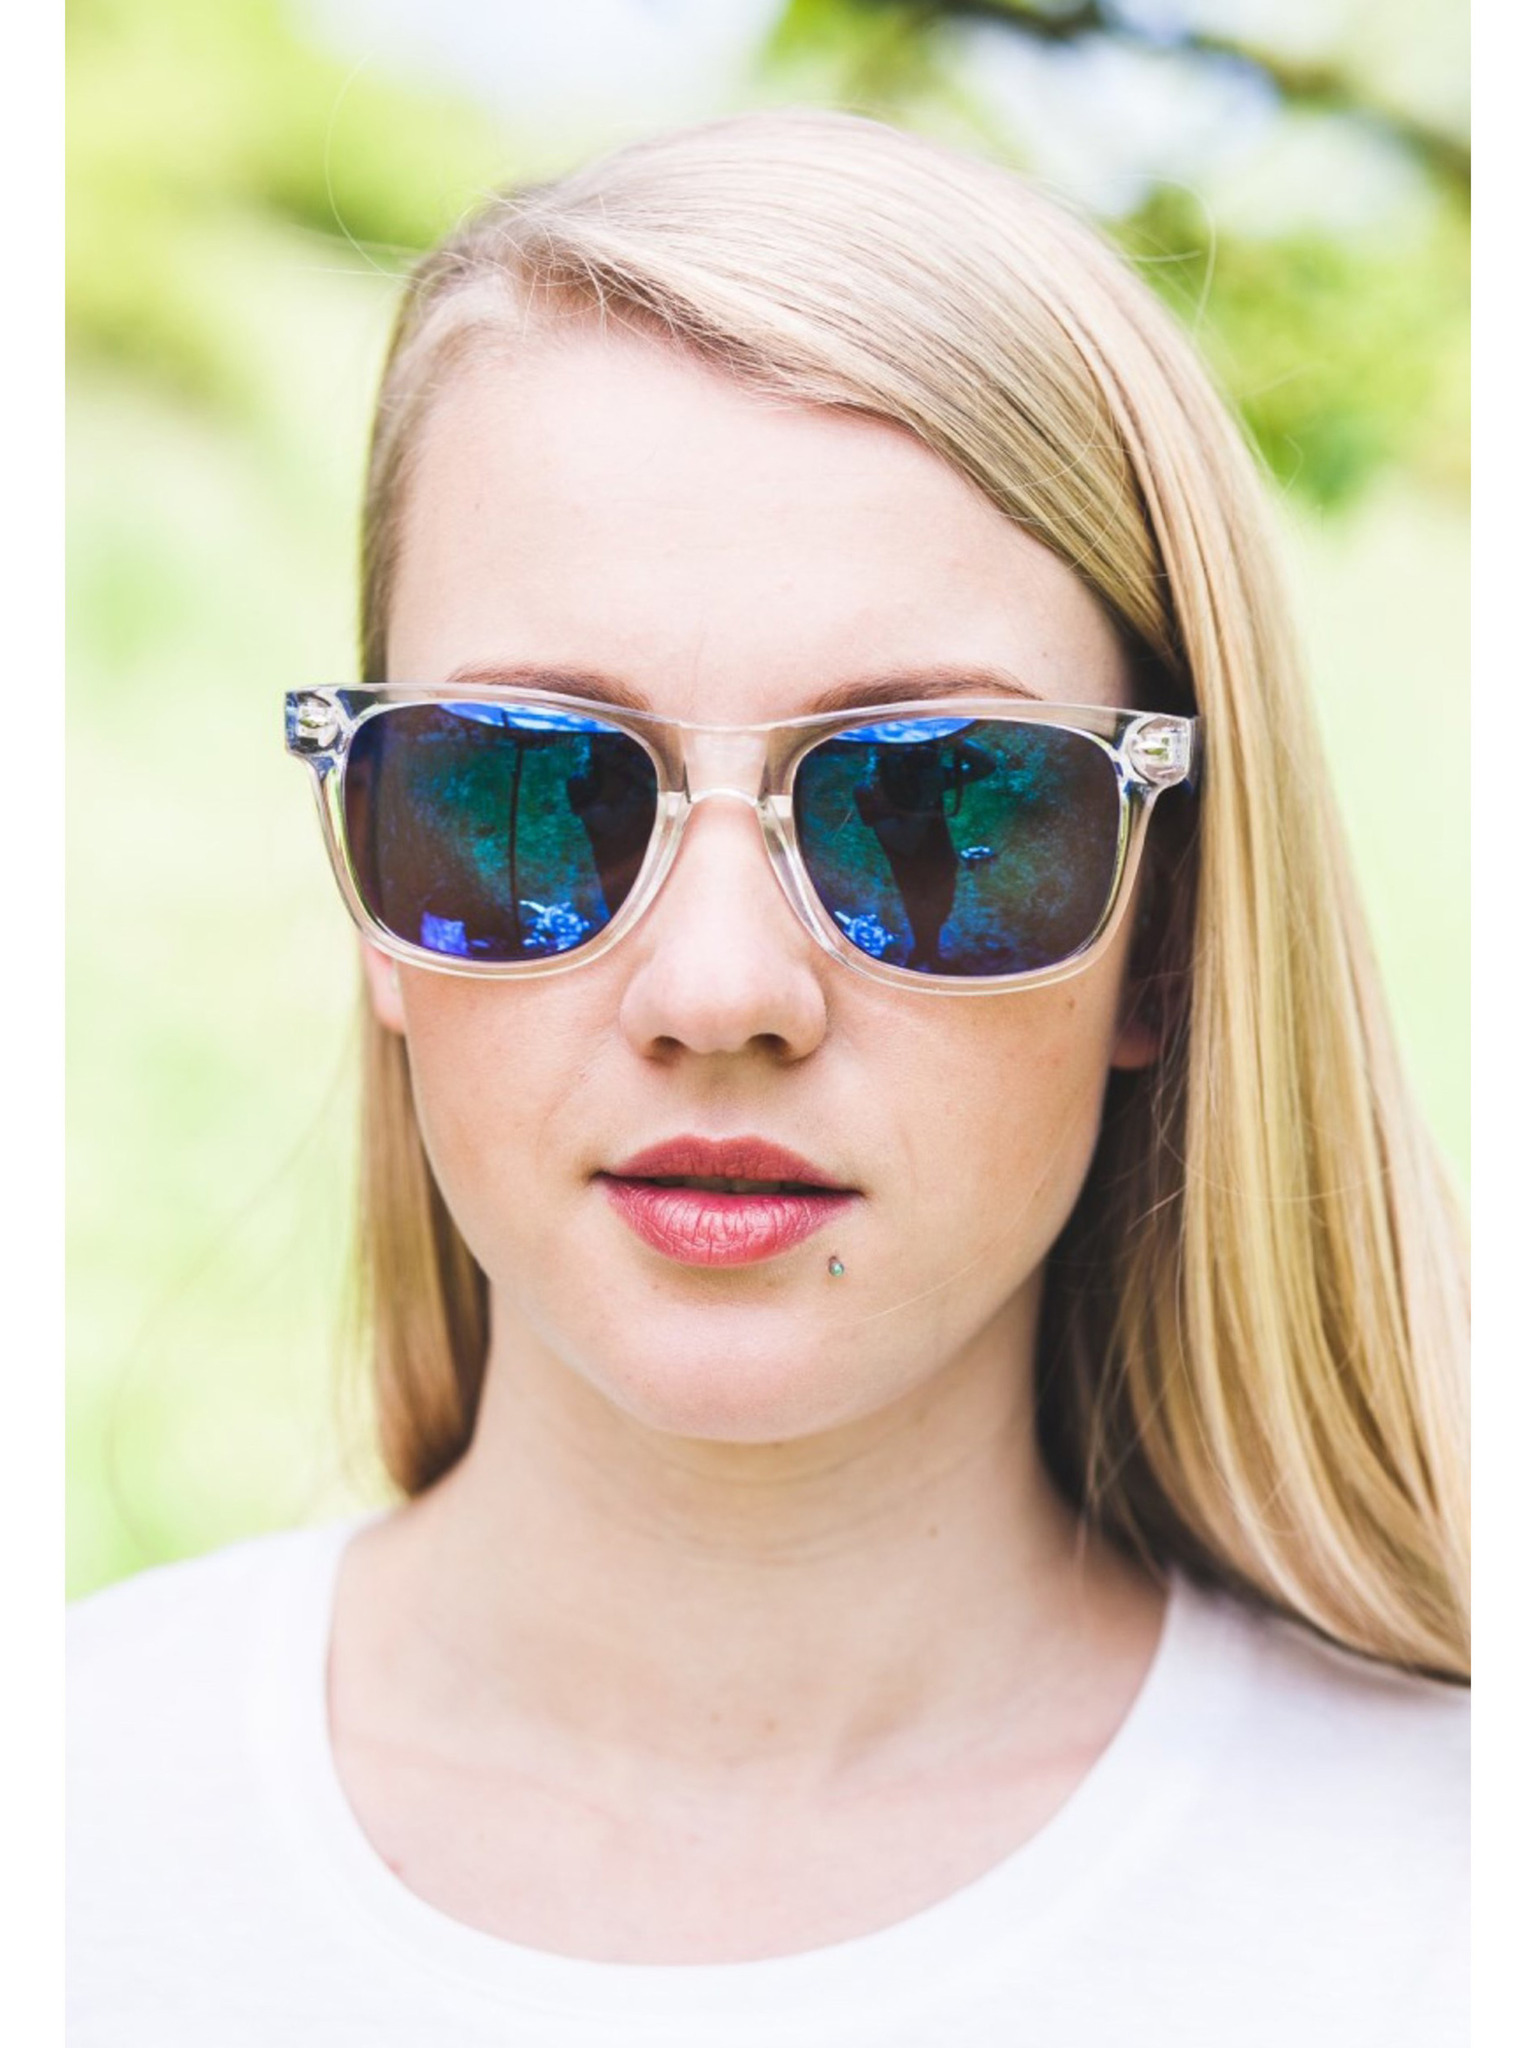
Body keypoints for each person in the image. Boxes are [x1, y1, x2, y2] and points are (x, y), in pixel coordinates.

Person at [67, 109, 1469, 2045]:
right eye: (531, 795)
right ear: (379, 888)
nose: (720, 991)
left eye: (941, 808)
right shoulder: (68, 1826)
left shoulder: (1453, 1903)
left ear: (1163, 930)